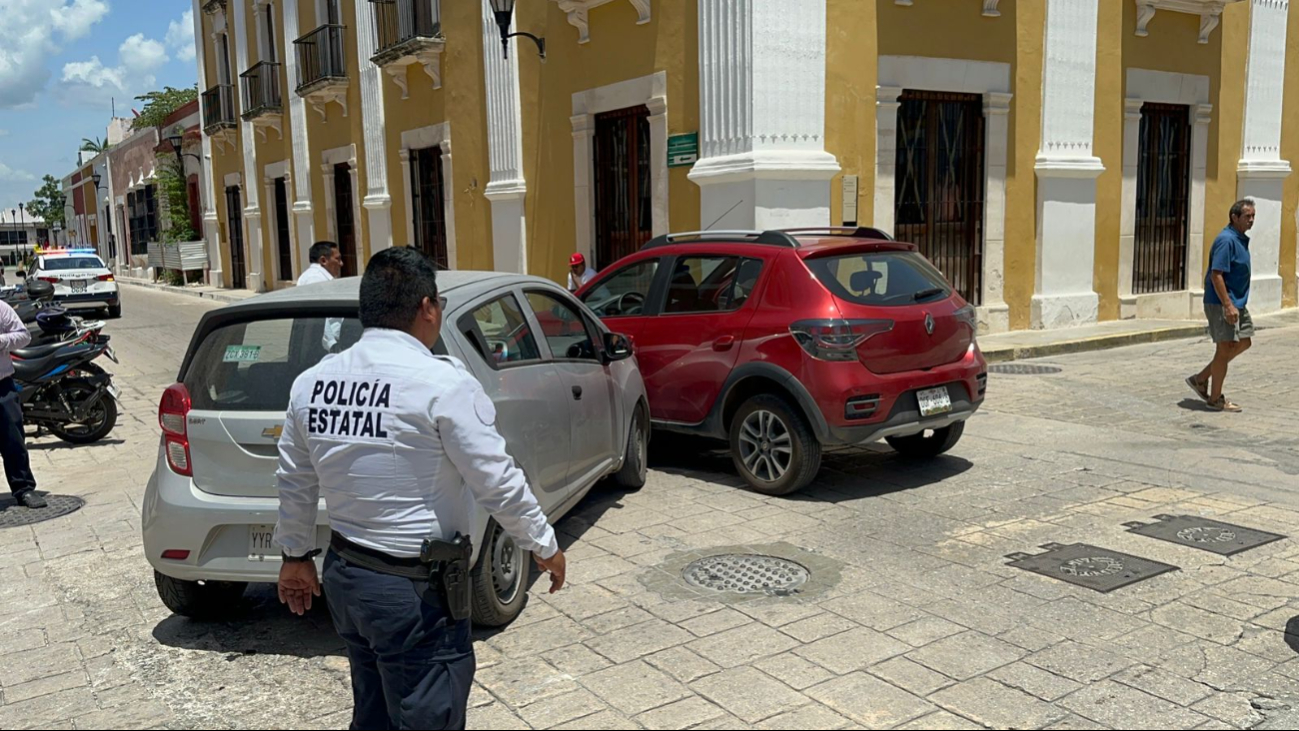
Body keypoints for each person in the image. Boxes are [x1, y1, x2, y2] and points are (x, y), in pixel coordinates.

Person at [274, 246, 568, 730]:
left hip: (348, 578)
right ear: (427, 307)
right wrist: (542, 543)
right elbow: (496, 479)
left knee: (373, 712)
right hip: (414, 593)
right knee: (429, 714)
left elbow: (295, 481)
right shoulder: (441, 383)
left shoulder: (313, 383)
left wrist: (295, 556)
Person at [1187, 199, 1255, 413]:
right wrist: (1227, 305)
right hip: (1222, 302)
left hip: (1237, 302)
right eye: (1247, 216)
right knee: (1224, 348)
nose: (1251, 220)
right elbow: (1217, 274)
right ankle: (1215, 399)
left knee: (1243, 342)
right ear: (1234, 217)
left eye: (1253, 216)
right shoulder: (1226, 240)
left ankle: (1201, 378)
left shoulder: (1239, 238)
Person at [1, 298, 44, 509]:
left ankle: (24, 489)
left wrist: (1, 341)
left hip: (2, 387)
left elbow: (23, 336)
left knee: (13, 440)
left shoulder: (1, 308)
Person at [297, 242, 345, 352]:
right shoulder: (315, 279)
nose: (341, 264)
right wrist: (332, 344)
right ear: (323, 260)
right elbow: (318, 315)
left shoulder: (319, 278)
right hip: (323, 348)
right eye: (337, 259)